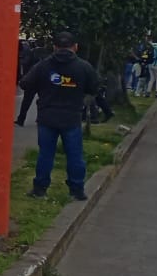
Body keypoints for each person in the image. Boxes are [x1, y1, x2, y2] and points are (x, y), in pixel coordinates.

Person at [19, 31, 100, 200]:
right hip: (71, 117)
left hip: (47, 116)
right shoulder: (83, 67)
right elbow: (95, 88)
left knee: (46, 154)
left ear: (54, 47)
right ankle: (77, 190)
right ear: (75, 47)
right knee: (75, 155)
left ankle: (40, 188)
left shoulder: (43, 66)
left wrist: (44, 87)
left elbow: (25, 84)